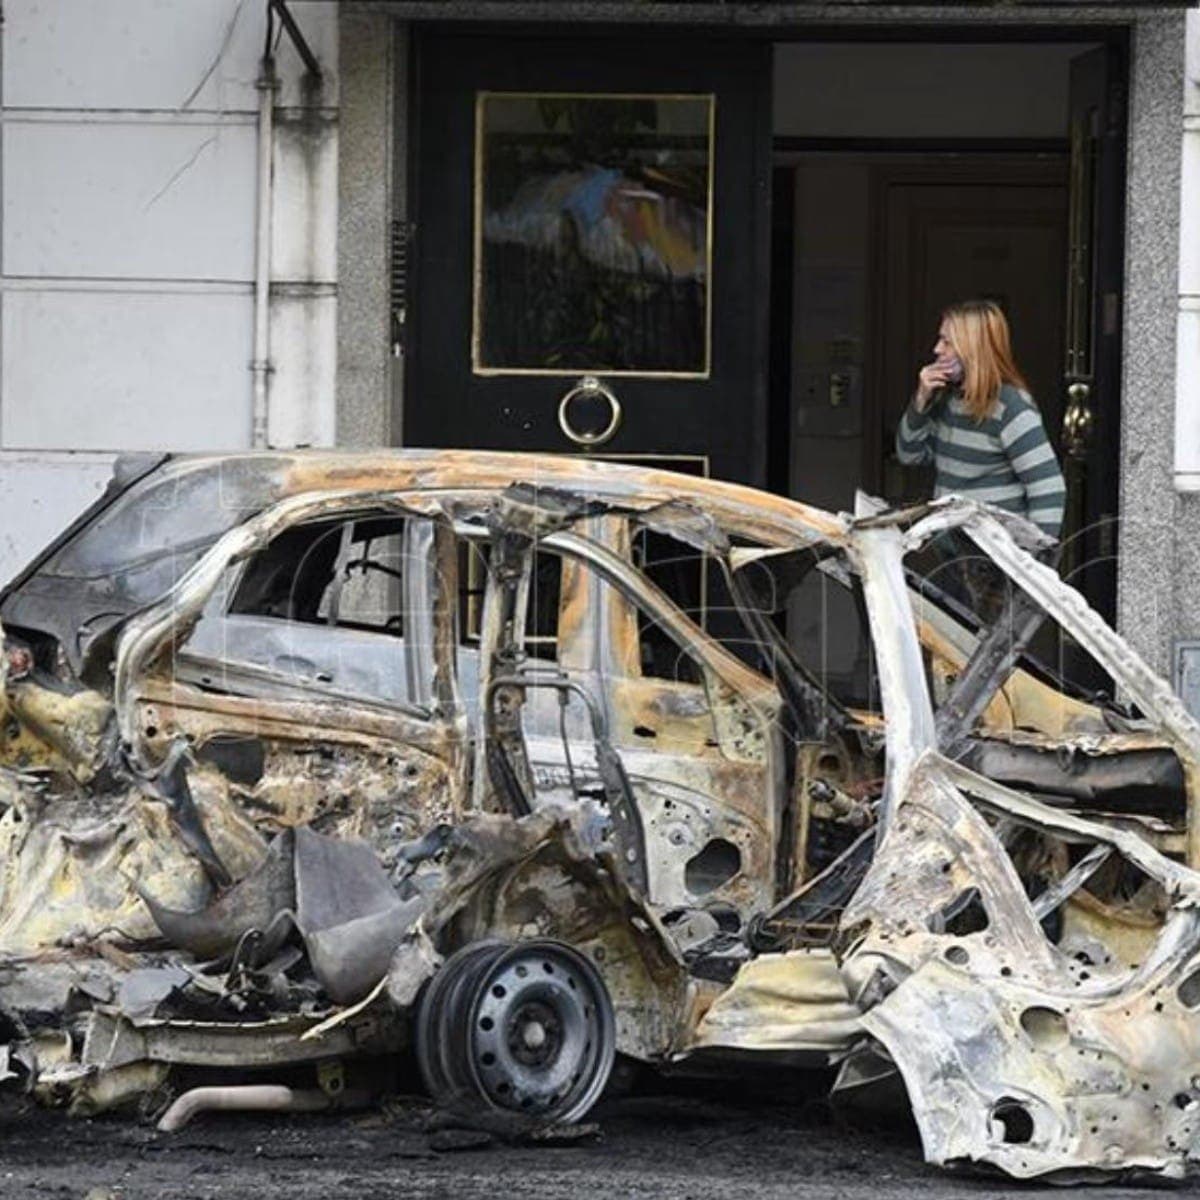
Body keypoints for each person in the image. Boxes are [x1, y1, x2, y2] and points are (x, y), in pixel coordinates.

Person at [895, 300, 1066, 620]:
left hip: (996, 568)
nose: (936, 350)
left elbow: (1049, 488)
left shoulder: (1011, 406)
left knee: (984, 661)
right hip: (953, 558)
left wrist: (1032, 568)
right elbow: (909, 454)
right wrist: (920, 400)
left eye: (947, 341)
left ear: (972, 347)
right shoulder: (947, 398)